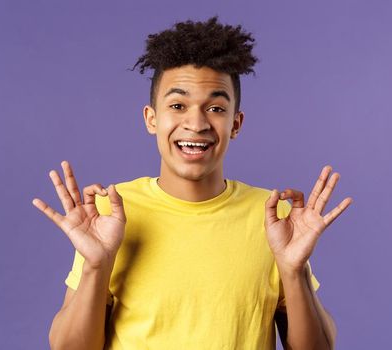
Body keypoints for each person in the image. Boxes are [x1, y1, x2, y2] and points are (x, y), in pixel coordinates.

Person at [32, 16, 353, 349]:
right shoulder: (108, 214)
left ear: (236, 123)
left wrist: (294, 270)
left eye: (215, 107)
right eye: (177, 105)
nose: (196, 123)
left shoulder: (274, 218)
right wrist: (97, 266)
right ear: (151, 118)